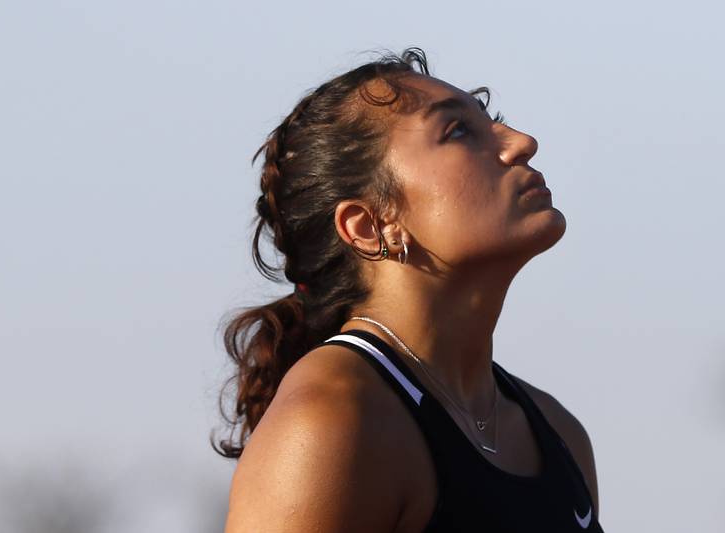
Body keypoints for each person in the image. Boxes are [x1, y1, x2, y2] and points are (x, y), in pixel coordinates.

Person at [214, 47, 604, 532]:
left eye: (493, 121)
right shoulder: (332, 420)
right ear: (370, 226)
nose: (521, 143)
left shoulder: (556, 431)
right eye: (458, 131)